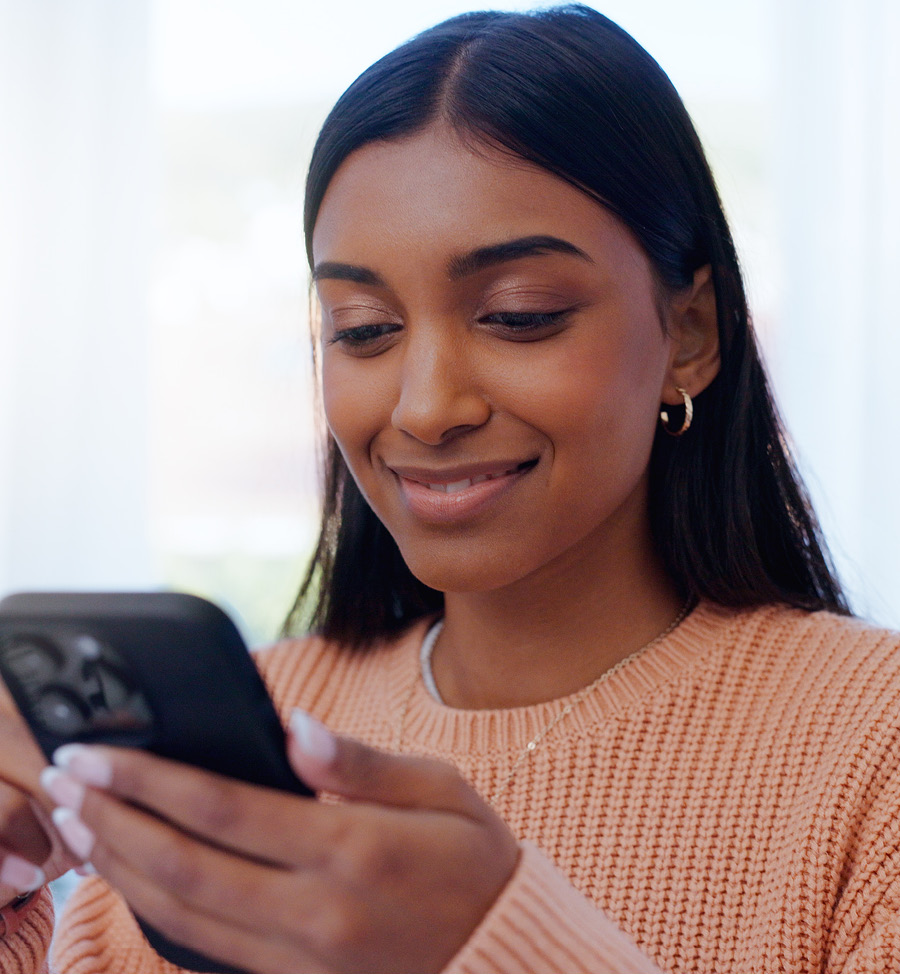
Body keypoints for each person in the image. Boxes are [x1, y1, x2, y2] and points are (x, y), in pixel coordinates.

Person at [1, 4, 899, 972]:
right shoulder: (242, 743)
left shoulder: (870, 750)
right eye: (362, 328)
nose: (427, 408)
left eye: (520, 316)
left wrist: (494, 944)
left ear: (690, 334)